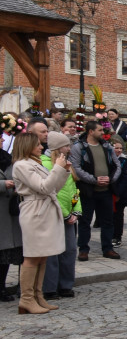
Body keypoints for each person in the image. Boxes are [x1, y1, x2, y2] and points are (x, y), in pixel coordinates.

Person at [10, 132, 71, 314]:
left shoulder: (35, 163)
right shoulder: (21, 165)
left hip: (45, 209)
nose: (41, 147)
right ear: (27, 145)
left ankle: (38, 295)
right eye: (37, 144)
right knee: (32, 255)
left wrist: (63, 171)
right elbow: (43, 187)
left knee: (43, 255)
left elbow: (53, 188)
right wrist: (57, 169)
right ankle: (26, 299)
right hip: (35, 211)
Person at [69, 120, 122, 261]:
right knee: (85, 221)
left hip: (106, 190)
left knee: (108, 221)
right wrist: (94, 179)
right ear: (91, 131)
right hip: (88, 191)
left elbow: (117, 165)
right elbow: (76, 169)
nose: (102, 133)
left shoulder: (107, 146)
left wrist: (110, 179)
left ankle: (108, 248)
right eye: (99, 130)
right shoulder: (79, 147)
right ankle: (83, 249)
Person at [39, 133, 82, 301]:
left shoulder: (67, 164)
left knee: (69, 250)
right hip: (53, 213)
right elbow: (50, 191)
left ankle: (66, 285)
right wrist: (65, 213)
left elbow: (74, 190)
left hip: (69, 214)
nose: (69, 149)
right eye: (65, 146)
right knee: (52, 253)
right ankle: (49, 288)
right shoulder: (45, 164)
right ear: (57, 147)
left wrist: (76, 210)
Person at [0, 146, 23, 302]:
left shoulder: (8, 159)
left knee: (6, 254)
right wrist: (2, 185)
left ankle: (2, 287)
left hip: (10, 214)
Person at [110, 141, 127, 248]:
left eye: (121, 148)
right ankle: (109, 235)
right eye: (116, 148)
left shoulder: (125, 161)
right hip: (108, 193)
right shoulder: (108, 160)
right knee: (108, 216)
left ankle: (117, 236)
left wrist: (117, 193)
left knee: (118, 216)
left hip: (120, 194)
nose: (119, 150)